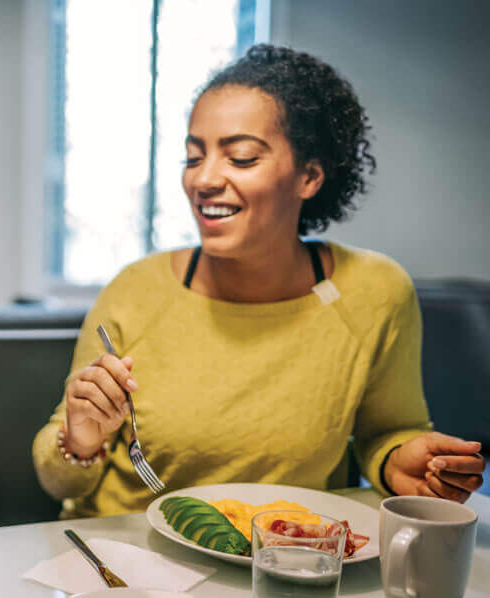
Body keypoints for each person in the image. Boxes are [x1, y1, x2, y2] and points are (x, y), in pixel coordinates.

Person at [33, 44, 485, 518]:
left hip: (286, 564)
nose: (203, 180)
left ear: (308, 177)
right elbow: (57, 479)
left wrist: (398, 462)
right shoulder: (135, 290)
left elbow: (387, 433)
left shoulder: (375, 292)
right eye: (193, 157)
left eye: (241, 158)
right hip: (128, 564)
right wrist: (80, 440)